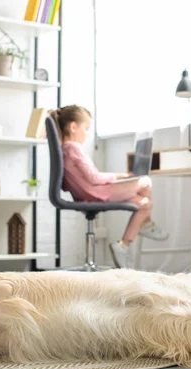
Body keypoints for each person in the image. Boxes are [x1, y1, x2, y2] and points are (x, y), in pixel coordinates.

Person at [49, 105, 168, 268]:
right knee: (146, 180)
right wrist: (122, 176)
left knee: (144, 204)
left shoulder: (65, 148)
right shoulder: (74, 148)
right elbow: (94, 177)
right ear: (73, 127)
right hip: (95, 192)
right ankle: (146, 224)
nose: (87, 133)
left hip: (87, 192)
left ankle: (123, 245)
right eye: (86, 128)